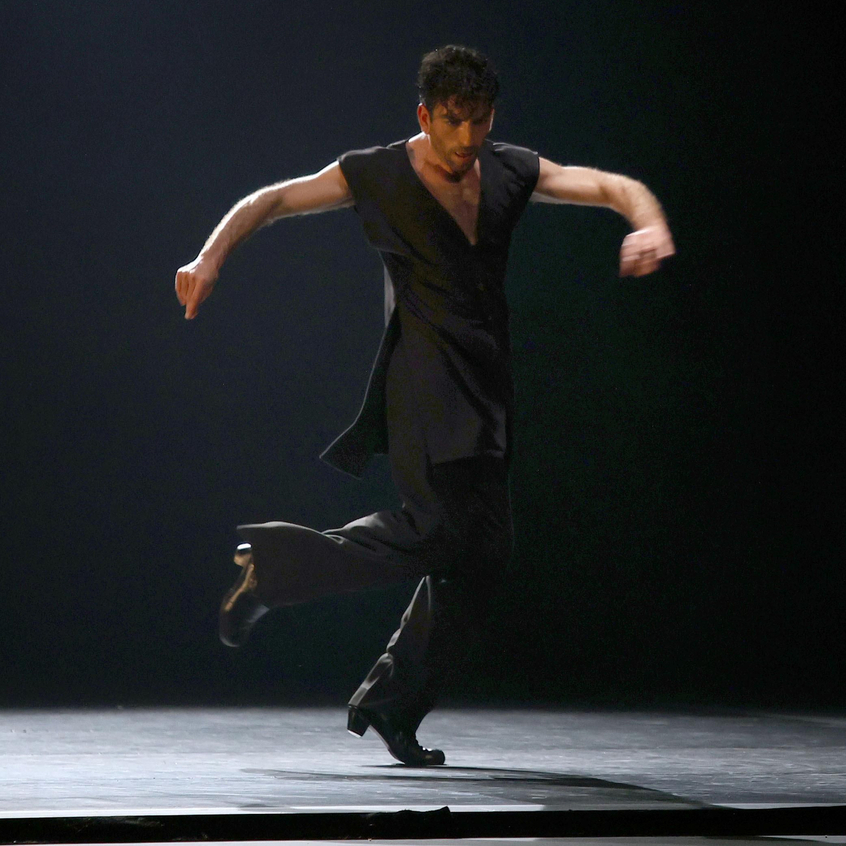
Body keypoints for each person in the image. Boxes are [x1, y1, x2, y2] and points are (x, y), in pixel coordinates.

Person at [172, 45, 675, 766]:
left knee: (484, 555)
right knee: (438, 530)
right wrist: (210, 256)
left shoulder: (510, 170)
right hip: (423, 383)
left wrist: (648, 223)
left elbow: (609, 185)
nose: (467, 137)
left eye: (480, 120)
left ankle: (389, 699)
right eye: (453, 120)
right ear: (425, 115)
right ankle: (275, 570)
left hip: (487, 386)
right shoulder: (378, 173)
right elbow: (273, 200)